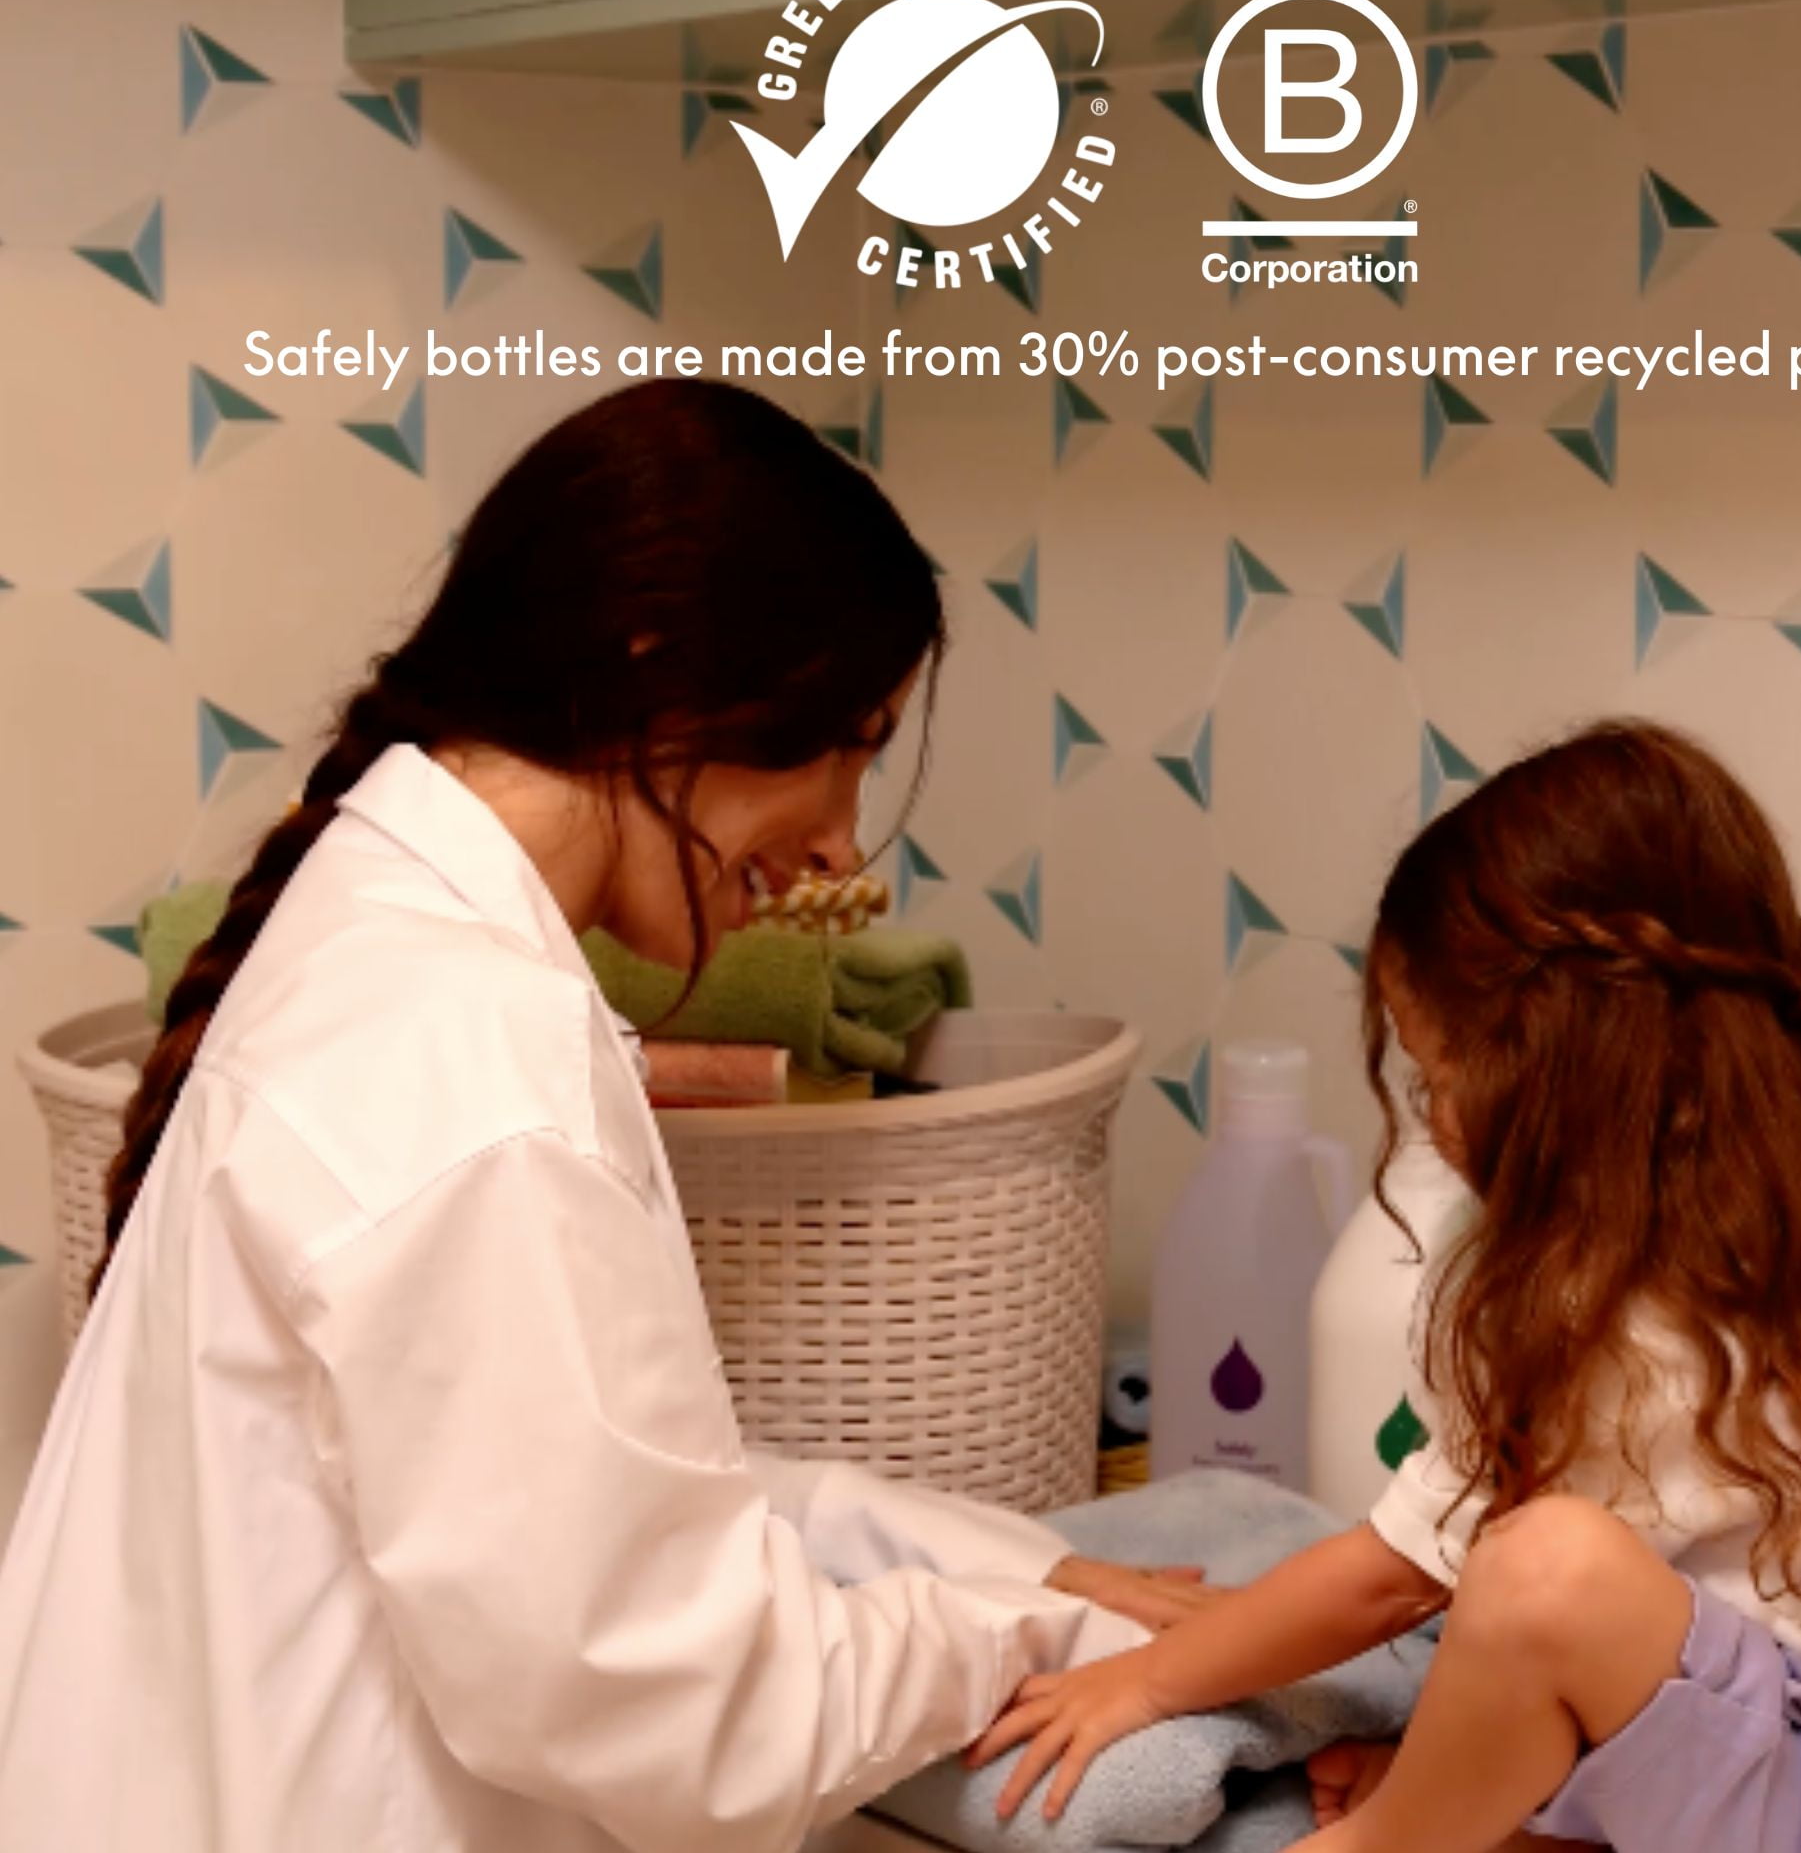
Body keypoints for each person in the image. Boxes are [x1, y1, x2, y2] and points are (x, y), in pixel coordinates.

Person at [0, 380, 1197, 1852]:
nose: (841, 844)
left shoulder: (384, 944)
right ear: (660, 669)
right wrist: (1026, 1637)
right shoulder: (467, 1066)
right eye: (848, 740)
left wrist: (1005, 1567)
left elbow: (580, 1513)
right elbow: (682, 1715)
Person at [973, 720, 1801, 1853]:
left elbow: (1394, 1583)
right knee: (1556, 1595)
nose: (1431, 1116)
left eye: (1437, 1078)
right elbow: (1687, 1640)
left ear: (1556, 1074)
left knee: (1541, 1573)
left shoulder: (1654, 1327)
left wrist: (1147, 1681)